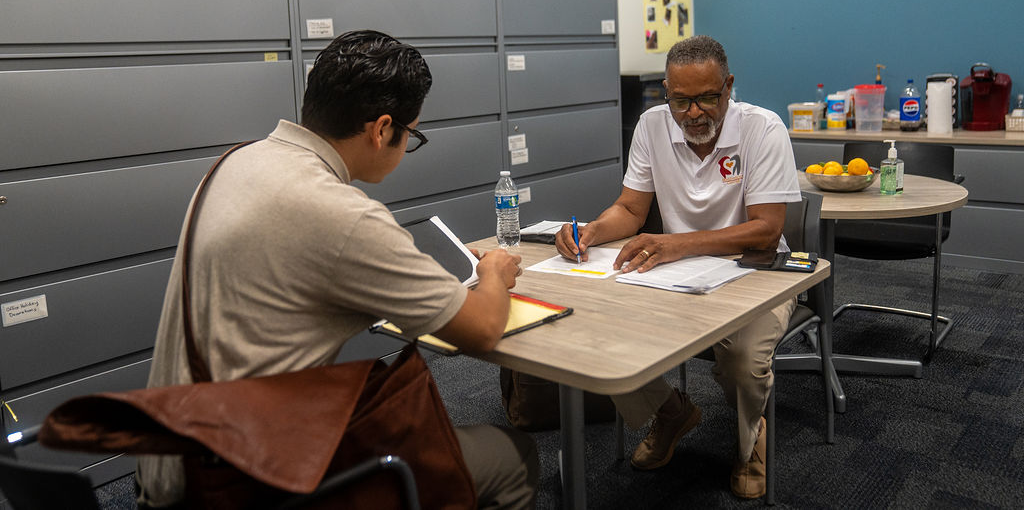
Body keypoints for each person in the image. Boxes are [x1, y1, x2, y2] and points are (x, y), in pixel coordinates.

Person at [137, 30, 538, 509]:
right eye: (411, 134)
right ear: (382, 128)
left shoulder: (236, 162)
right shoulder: (340, 213)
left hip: (169, 456)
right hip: (236, 484)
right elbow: (482, 330)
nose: (406, 142)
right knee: (514, 456)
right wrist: (493, 271)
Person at [554, 34, 799, 500]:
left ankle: (751, 440)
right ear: (665, 91)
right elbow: (629, 210)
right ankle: (671, 411)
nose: (693, 113)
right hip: (677, 274)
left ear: (728, 86)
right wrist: (590, 231)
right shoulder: (651, 126)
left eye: (708, 98)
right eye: (680, 100)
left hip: (757, 274)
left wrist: (677, 244)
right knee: (595, 327)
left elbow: (766, 229)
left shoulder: (763, 129)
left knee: (743, 360)